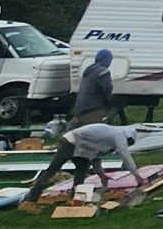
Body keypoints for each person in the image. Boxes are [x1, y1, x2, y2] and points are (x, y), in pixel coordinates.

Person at [20, 50, 141, 205]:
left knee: (80, 163)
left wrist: (101, 173)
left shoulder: (88, 71)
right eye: (109, 59)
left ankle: (74, 197)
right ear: (106, 60)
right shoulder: (103, 72)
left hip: (79, 113)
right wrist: (114, 103)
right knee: (66, 164)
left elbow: (93, 148)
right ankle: (35, 198)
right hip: (92, 112)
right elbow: (106, 92)